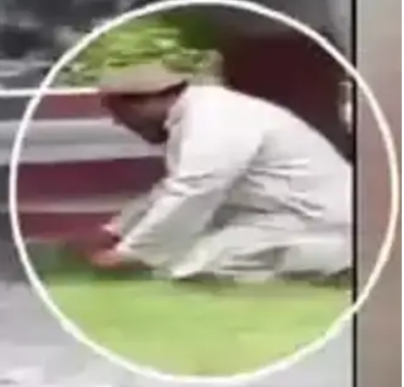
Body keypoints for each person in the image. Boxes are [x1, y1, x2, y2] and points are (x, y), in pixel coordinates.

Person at [82, 61, 352, 283]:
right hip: (286, 214)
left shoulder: (215, 118)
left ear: (144, 102)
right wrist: (116, 228)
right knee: (184, 256)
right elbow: (174, 188)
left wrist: (129, 254)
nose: (118, 122)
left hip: (316, 219)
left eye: (119, 112)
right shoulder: (201, 113)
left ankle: (338, 261)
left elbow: (194, 191)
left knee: (192, 267)